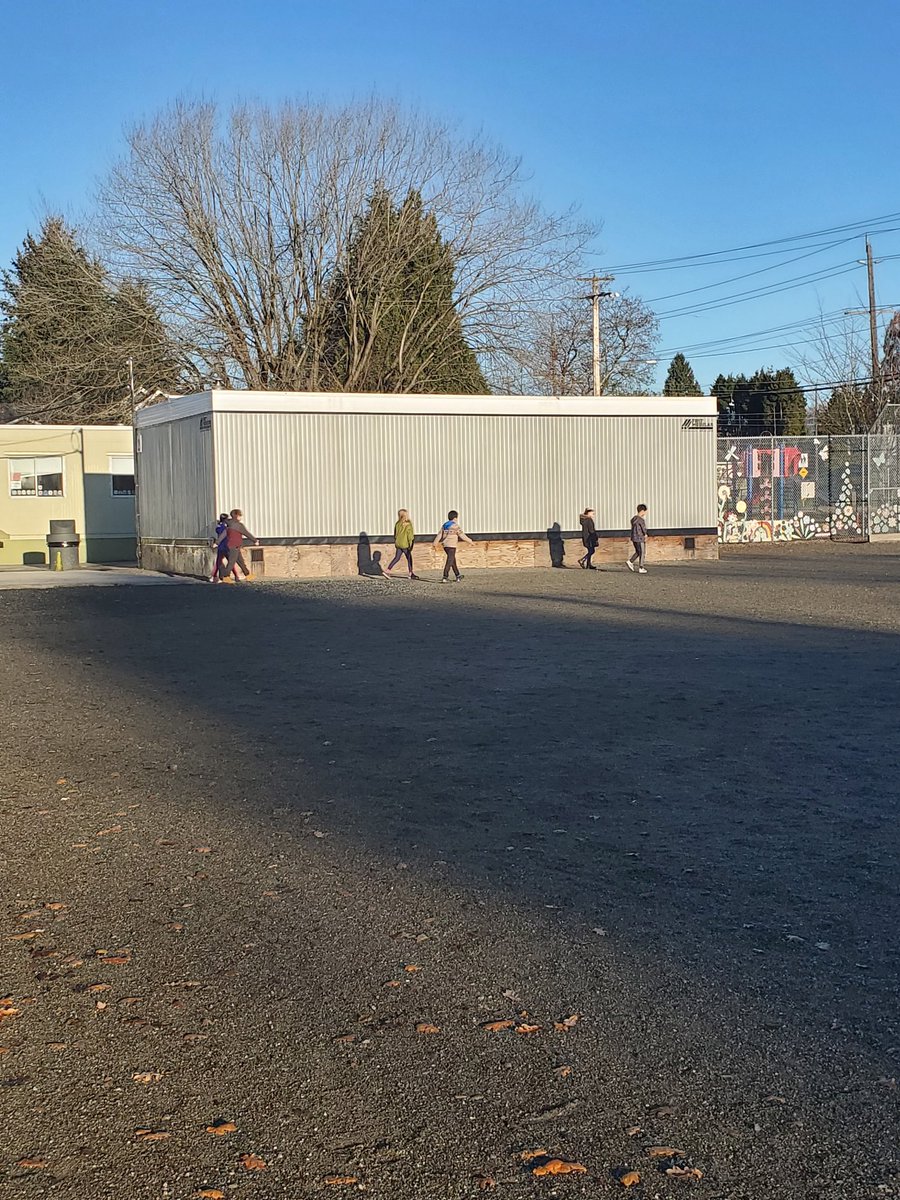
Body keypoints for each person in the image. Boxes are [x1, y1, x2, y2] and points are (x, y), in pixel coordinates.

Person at [218, 508, 259, 582]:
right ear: (237, 516)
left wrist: (217, 542)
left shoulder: (229, 525)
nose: (241, 517)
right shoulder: (239, 525)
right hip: (234, 546)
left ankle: (247, 574)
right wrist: (255, 540)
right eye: (240, 515)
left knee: (240, 561)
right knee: (231, 562)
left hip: (231, 545)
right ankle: (225, 576)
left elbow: (223, 534)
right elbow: (246, 533)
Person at [433, 509, 472, 582]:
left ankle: (458, 575)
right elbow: (462, 536)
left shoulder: (445, 525)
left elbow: (439, 534)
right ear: (455, 518)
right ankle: (445, 576)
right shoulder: (455, 526)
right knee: (450, 561)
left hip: (445, 545)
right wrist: (470, 541)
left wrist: (435, 542)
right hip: (452, 545)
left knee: (452, 560)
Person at [384, 509, 419, 579]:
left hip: (398, 544)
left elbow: (395, 535)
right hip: (405, 544)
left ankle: (387, 570)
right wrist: (411, 544)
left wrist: (397, 541)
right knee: (409, 558)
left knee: (397, 558)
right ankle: (411, 573)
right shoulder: (408, 524)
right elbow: (410, 536)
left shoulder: (397, 524)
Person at [209, 513, 238, 583]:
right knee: (231, 562)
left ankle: (214, 576)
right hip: (228, 546)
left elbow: (217, 530)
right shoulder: (228, 527)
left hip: (221, 546)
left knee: (219, 562)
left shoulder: (219, 526)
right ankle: (236, 576)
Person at [626, 504, 649, 573]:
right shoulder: (641, 520)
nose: (645, 513)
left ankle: (630, 561)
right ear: (642, 511)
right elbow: (643, 529)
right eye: (645, 512)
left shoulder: (633, 519)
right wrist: (645, 534)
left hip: (634, 537)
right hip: (640, 538)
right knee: (642, 552)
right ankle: (641, 567)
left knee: (638, 552)